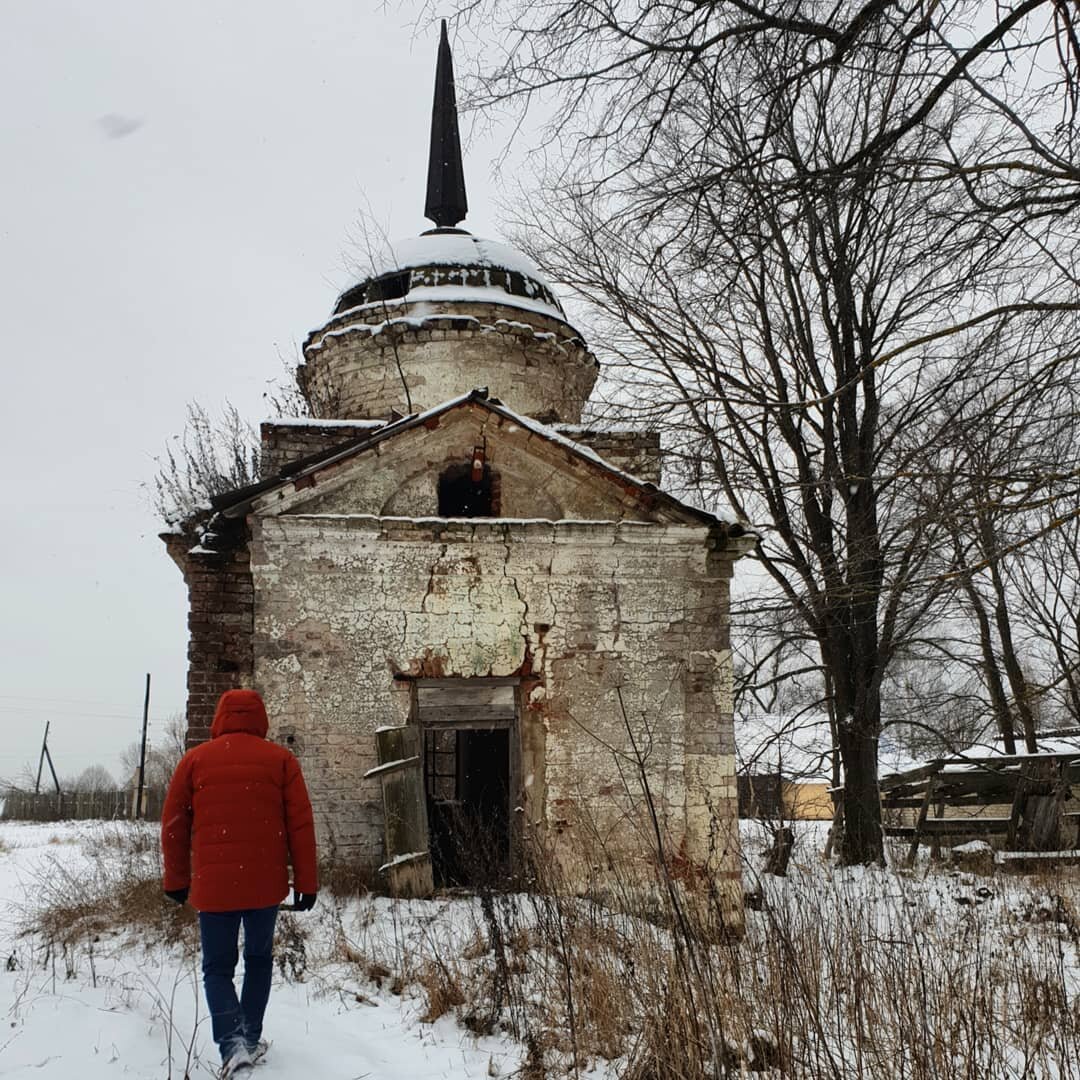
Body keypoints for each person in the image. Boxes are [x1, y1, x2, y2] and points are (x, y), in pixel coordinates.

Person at [161, 688, 318, 1079]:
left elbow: (174, 827)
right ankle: (248, 1038)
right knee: (259, 961)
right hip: (264, 888)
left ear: (220, 717)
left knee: (217, 967)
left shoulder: (195, 761)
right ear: (260, 718)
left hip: (213, 888)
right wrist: (306, 881)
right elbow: (301, 825)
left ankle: (232, 1045)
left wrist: (176, 880)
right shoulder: (281, 761)